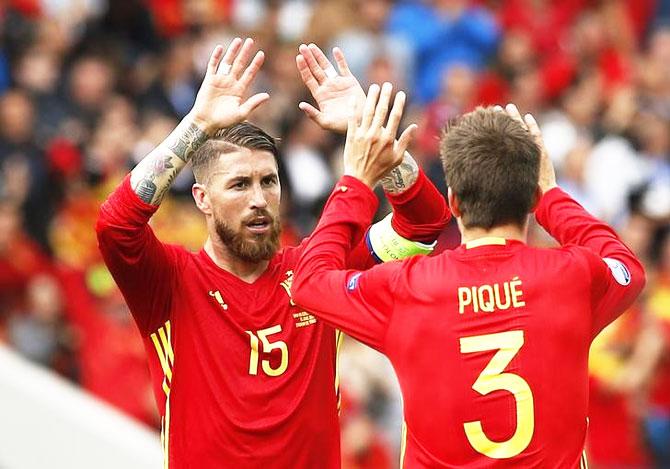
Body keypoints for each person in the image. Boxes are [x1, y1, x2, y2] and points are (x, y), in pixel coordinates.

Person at [96, 38, 449, 467]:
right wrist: (197, 126)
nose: (259, 198)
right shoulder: (169, 279)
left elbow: (425, 224)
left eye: (269, 181)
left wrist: (370, 134)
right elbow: (115, 226)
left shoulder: (317, 271)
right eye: (240, 185)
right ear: (203, 199)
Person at [292, 95, 646, 467]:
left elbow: (309, 281)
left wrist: (357, 180)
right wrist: (552, 197)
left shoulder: (408, 288)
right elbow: (626, 266)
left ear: (454, 202)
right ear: (530, 199)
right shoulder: (572, 277)